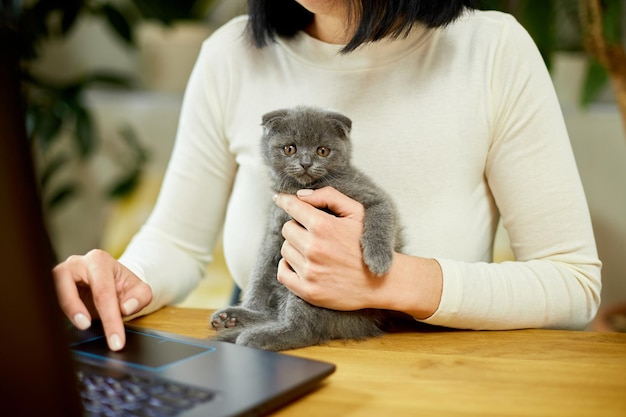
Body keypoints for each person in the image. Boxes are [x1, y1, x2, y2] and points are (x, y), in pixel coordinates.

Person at [53, 0, 602, 351]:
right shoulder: (230, 54)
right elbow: (175, 240)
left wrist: (387, 280)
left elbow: (573, 283)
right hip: (267, 366)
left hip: (429, 377)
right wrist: (128, 279)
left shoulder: (490, 50)